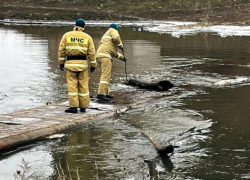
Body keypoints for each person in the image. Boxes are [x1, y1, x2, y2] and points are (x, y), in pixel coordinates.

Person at [58, 18, 97, 113]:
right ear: (83, 27)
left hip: (70, 64)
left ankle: (73, 107)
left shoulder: (66, 35)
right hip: (83, 65)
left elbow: (61, 51)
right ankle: (83, 107)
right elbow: (91, 53)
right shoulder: (87, 37)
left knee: (72, 86)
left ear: (75, 25)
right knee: (83, 86)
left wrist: (61, 62)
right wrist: (93, 64)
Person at [96, 23, 126, 101]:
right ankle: (101, 94)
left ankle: (105, 93)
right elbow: (116, 37)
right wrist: (120, 45)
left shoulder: (107, 40)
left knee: (106, 75)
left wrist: (123, 58)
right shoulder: (112, 30)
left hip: (101, 56)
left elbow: (114, 53)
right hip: (105, 56)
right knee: (105, 75)